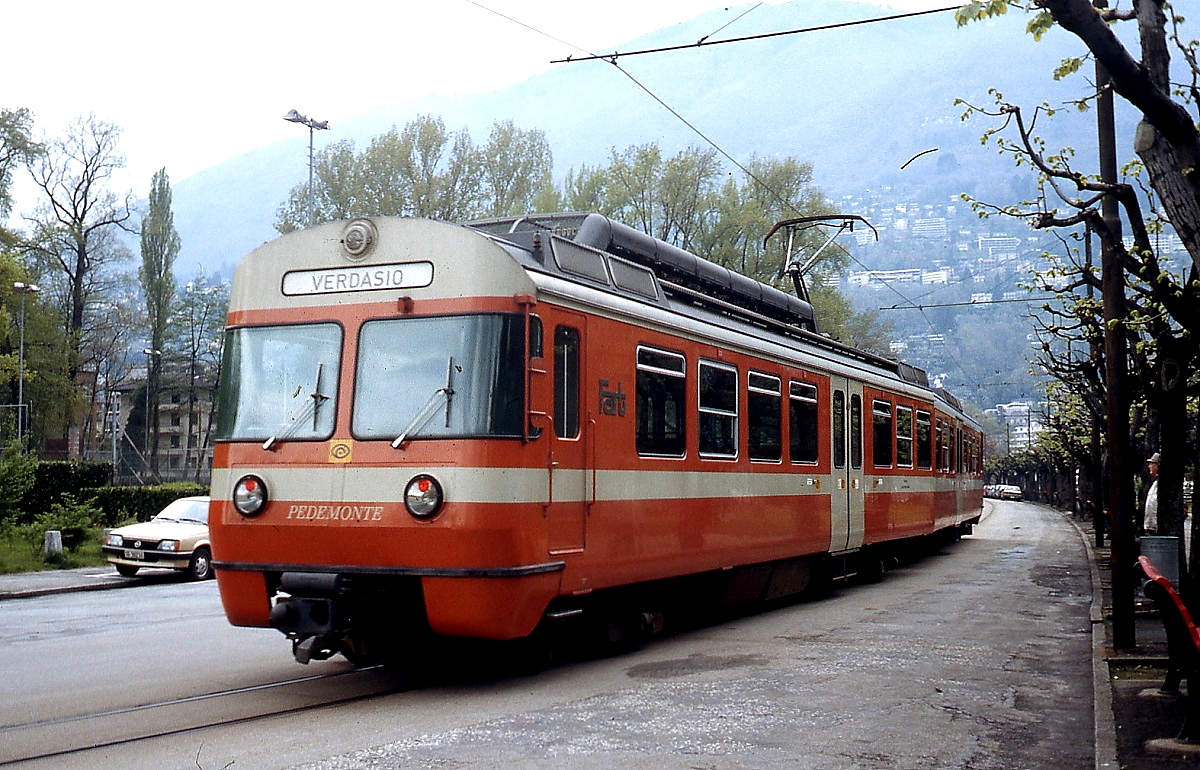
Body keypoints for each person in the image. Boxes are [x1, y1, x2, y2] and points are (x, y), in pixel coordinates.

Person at [1143, 452, 1160, 535]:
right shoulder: (1155, 483)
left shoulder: (1160, 485)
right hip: (1151, 526)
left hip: (1156, 527)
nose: (1149, 466)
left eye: (1151, 464)